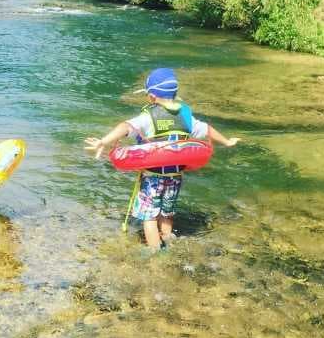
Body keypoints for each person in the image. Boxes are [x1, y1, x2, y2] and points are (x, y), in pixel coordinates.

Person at [84, 67, 240, 250]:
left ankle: (155, 251)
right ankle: (168, 238)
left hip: (152, 178)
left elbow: (125, 127)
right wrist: (227, 142)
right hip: (175, 177)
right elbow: (207, 130)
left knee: (149, 217)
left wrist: (103, 141)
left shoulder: (148, 117)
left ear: (151, 97)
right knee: (166, 212)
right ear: (175, 94)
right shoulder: (186, 117)